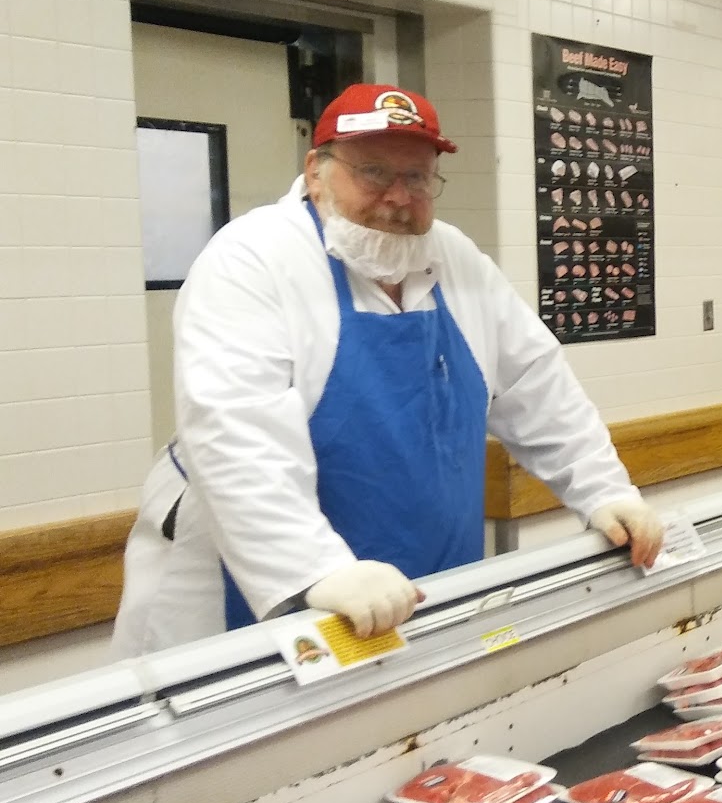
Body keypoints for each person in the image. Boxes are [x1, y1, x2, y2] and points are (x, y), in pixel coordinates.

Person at [112, 84, 663, 656]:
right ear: (316, 172)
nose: (398, 198)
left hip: (418, 573)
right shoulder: (253, 258)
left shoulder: (454, 256)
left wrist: (603, 491)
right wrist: (316, 568)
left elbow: (538, 385)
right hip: (257, 584)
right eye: (373, 172)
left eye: (417, 178)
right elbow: (235, 430)